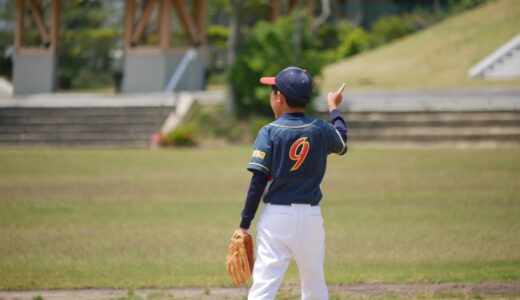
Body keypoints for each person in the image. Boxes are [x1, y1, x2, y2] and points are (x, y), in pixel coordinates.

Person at [237, 66, 348, 299]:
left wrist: (244, 224)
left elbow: (257, 181)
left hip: (277, 219)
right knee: (315, 285)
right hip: (311, 219)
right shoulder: (320, 129)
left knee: (264, 287)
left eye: (272, 91)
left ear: (279, 98)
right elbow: (342, 141)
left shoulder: (270, 131)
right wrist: (334, 107)